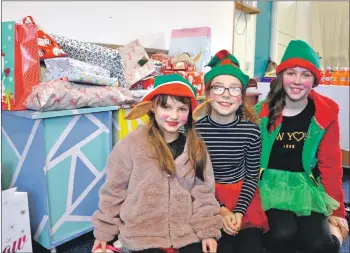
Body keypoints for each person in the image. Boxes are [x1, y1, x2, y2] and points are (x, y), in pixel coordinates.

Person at [91, 74, 223, 253]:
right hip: (142, 234)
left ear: (189, 112)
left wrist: (207, 232)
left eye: (182, 109)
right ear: (152, 107)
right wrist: (103, 233)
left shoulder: (196, 148)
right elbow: (113, 192)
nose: (174, 116)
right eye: (166, 107)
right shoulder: (130, 145)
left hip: (185, 233)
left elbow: (204, 194)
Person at [254, 40, 349, 253]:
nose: (297, 81)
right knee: (282, 235)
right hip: (269, 186)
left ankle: (335, 233)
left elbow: (331, 165)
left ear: (314, 80)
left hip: (306, 187)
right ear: (281, 76)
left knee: (320, 246)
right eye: (291, 73)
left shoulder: (324, 114)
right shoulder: (261, 112)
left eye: (305, 75)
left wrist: (339, 212)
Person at [193, 50, 269, 253]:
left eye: (234, 89)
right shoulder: (197, 131)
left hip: (243, 197)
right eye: (218, 88)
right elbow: (196, 178)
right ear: (208, 94)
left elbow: (252, 176)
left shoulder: (251, 131)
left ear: (242, 96)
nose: (226, 94)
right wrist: (221, 209)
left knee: (250, 247)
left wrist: (238, 212)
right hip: (207, 195)